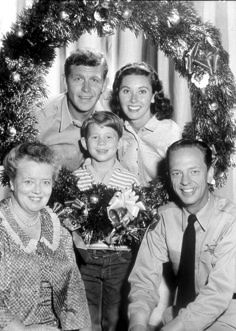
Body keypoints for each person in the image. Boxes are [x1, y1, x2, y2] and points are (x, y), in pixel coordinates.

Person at [128, 138, 236, 331]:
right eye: (177, 173)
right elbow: (144, 280)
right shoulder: (163, 218)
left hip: (228, 313)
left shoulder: (230, 221)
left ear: (209, 173)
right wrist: (137, 323)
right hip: (180, 313)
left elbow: (218, 293)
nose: (185, 181)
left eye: (194, 171)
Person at [0, 141, 91, 331]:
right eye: (28, 181)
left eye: (45, 182)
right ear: (11, 182)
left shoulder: (60, 233)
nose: (37, 190)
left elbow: (74, 297)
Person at [72, 111, 140, 331]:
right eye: (94, 137)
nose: (101, 143)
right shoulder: (75, 178)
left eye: (108, 137)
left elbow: (136, 220)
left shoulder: (129, 179)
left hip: (119, 257)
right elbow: (68, 217)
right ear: (84, 142)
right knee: (87, 315)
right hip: (85, 257)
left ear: (119, 142)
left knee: (114, 316)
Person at [36, 48, 110, 171]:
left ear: (104, 84)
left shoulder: (114, 115)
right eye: (78, 79)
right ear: (65, 82)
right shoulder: (39, 119)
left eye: (94, 80)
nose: (86, 89)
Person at [110, 62, 182, 186]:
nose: (133, 99)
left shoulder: (170, 132)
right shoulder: (114, 131)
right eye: (126, 91)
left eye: (142, 92)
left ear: (153, 96)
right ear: (118, 96)